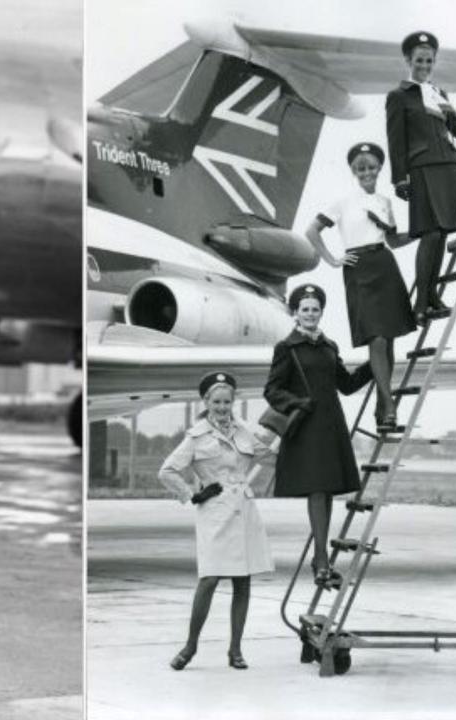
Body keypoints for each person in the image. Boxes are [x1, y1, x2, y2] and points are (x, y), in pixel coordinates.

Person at [158, 371, 275, 671]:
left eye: (227, 401)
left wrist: (288, 428)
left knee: (243, 581)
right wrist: (191, 494)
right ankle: (190, 646)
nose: (222, 407)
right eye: (217, 401)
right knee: (208, 579)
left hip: (244, 511)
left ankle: (235, 650)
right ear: (206, 401)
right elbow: (167, 471)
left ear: (233, 401)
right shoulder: (196, 436)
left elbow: (269, 457)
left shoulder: (244, 432)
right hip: (214, 512)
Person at [386, 31, 456, 325]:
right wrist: (400, 178)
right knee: (430, 233)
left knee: (443, 233)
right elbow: (396, 140)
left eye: (429, 61)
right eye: (419, 60)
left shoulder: (439, 94)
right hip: (422, 167)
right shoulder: (399, 96)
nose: (424, 65)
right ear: (408, 61)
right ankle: (421, 303)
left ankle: (433, 297)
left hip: (448, 166)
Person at [263, 285, 371, 588]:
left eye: (315, 309)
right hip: (307, 427)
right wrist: (296, 402)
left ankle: (320, 557)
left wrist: (373, 365)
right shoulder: (286, 347)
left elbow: (346, 385)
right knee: (317, 490)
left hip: (331, 425)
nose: (310, 314)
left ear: (320, 312)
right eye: (305, 309)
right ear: (295, 313)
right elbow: (271, 391)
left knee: (325, 491)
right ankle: (321, 558)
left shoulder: (329, 346)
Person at [304, 142, 416, 429]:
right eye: (360, 168)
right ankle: (389, 404)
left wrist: (420, 233)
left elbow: (392, 240)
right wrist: (331, 259)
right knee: (376, 338)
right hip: (359, 269)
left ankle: (382, 409)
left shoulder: (385, 202)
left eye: (370, 167)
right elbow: (311, 230)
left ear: (379, 168)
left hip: (384, 265)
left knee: (388, 339)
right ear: (354, 171)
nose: (366, 172)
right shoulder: (343, 201)